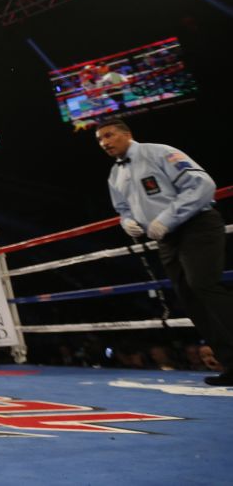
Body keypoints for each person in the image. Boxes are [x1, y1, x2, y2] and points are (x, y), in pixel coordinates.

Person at [96, 118, 233, 386]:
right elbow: (122, 209)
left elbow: (202, 185)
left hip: (197, 226)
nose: (105, 143)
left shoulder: (159, 152)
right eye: (100, 140)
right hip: (167, 240)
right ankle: (231, 364)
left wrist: (167, 218)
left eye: (109, 135)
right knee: (190, 298)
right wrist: (128, 223)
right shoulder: (115, 175)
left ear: (127, 134)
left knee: (203, 285)